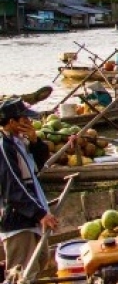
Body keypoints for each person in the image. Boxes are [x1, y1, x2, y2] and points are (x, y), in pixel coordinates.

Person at [0, 98, 57, 278]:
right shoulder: (4, 147)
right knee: (23, 275)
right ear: (11, 122)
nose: (29, 123)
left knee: (41, 265)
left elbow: (38, 168)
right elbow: (13, 186)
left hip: (31, 215)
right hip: (19, 219)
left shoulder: (19, 142)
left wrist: (35, 141)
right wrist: (40, 214)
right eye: (24, 120)